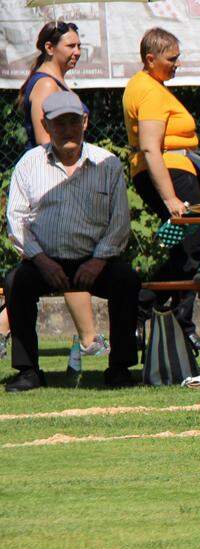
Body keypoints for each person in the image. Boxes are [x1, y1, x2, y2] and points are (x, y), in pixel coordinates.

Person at [4, 91, 141, 392]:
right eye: (59, 123)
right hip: (44, 261)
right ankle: (28, 371)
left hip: (94, 259)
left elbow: (119, 223)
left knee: (126, 280)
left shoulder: (108, 164)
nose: (67, 129)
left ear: (85, 122)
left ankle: (119, 368)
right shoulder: (29, 163)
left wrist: (98, 260)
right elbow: (17, 220)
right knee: (16, 281)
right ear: (46, 125)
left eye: (73, 122)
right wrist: (40, 260)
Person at [15, 20, 108, 359]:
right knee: (63, 261)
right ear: (49, 48)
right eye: (70, 46)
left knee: (66, 262)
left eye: (79, 46)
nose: (77, 52)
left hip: (63, 185)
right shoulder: (45, 86)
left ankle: (89, 340)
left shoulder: (55, 82)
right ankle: (89, 341)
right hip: (51, 187)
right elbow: (46, 142)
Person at [123, 27, 200, 353]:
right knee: (192, 247)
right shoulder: (150, 92)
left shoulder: (148, 85)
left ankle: (170, 319)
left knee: (183, 250)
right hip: (171, 175)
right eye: (171, 59)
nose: (177, 64)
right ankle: (150, 311)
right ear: (151, 58)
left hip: (174, 172)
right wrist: (171, 197)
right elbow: (149, 148)